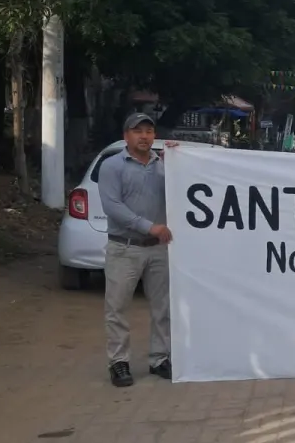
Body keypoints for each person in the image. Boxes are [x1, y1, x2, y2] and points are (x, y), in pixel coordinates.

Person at [97, 112, 176, 387]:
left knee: (163, 307)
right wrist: (149, 227)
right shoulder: (112, 166)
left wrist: (180, 162)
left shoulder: (164, 166)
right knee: (117, 307)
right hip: (125, 247)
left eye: (149, 131)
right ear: (126, 136)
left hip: (159, 248)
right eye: (137, 131)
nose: (144, 136)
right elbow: (113, 207)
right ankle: (118, 362)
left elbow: (183, 190)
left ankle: (160, 358)